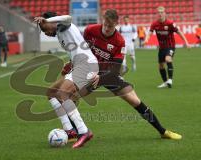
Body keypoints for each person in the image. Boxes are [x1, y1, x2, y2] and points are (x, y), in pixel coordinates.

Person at [46, 9, 182, 144]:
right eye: (105, 24)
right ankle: (75, 132)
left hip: (108, 75)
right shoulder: (90, 30)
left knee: (135, 101)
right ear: (102, 20)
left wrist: (102, 78)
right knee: (69, 97)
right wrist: (71, 63)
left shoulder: (119, 41)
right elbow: (80, 51)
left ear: (116, 24)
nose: (106, 28)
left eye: (110, 26)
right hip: (89, 72)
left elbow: (115, 69)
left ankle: (163, 131)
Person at [34, 12, 99, 148]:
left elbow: (67, 17)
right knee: (51, 92)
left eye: (45, 29)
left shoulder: (65, 26)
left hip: (87, 65)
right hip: (79, 66)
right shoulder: (59, 33)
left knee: (63, 94)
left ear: (51, 22)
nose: (45, 33)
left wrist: (47, 19)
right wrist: (70, 64)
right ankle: (69, 130)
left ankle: (83, 131)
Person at [144, 6, 190, 88]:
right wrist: (146, 39)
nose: (160, 14)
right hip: (161, 47)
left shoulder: (170, 23)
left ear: (165, 13)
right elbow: (150, 32)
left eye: (162, 12)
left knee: (168, 59)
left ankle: (170, 80)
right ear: (157, 14)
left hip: (170, 46)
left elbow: (179, 32)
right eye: (159, 13)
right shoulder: (154, 24)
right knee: (161, 65)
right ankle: (165, 82)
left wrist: (186, 42)